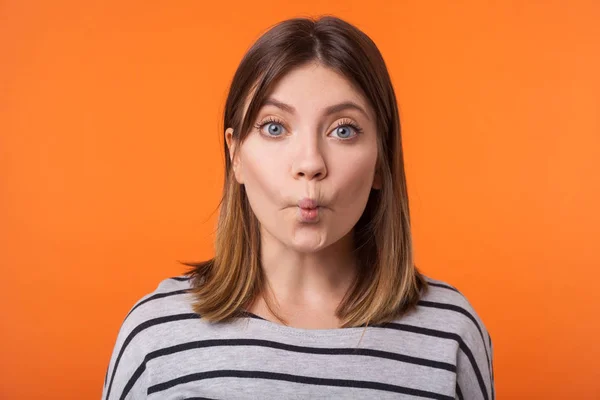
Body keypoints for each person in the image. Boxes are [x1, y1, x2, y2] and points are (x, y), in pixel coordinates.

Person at [102, 15, 494, 400]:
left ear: (380, 160)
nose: (310, 163)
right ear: (235, 153)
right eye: (275, 127)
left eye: (343, 130)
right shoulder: (155, 338)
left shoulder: (452, 335)